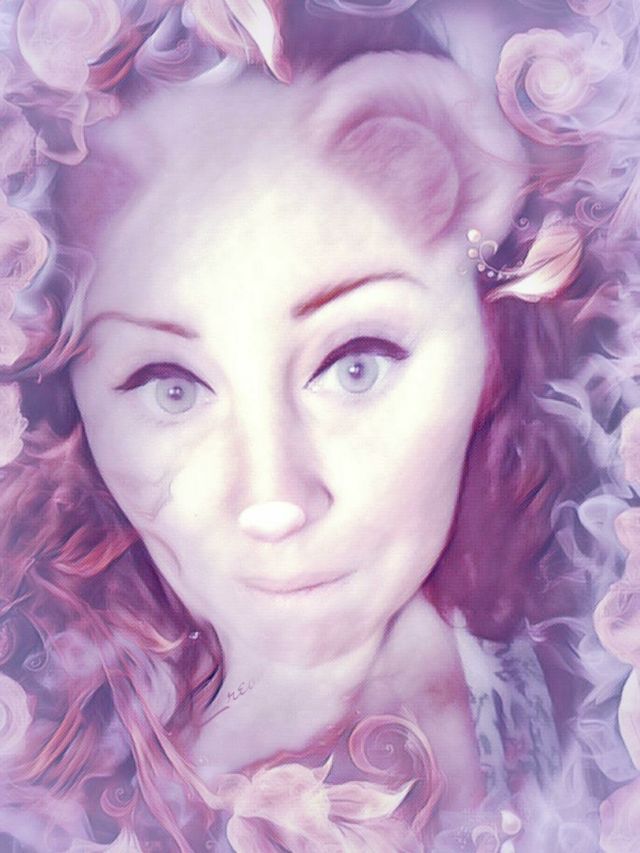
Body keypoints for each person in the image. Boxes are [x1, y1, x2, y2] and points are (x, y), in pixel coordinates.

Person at [0, 1, 638, 850]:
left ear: (488, 344)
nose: (274, 501)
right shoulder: (49, 788)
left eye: (354, 364)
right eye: (171, 387)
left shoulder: (588, 706)